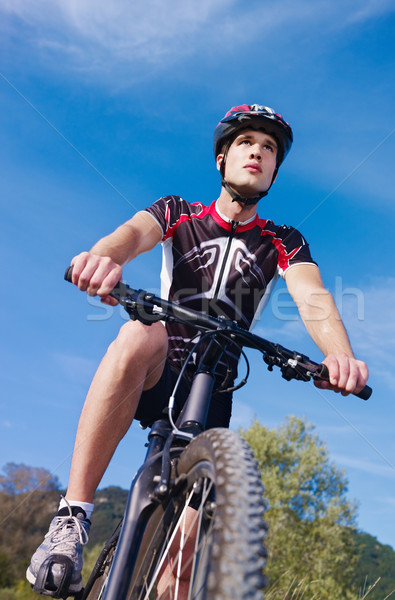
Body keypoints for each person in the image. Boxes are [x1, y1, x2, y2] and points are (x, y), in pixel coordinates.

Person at [27, 104, 369, 596]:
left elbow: (313, 297)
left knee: (179, 575)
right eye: (246, 142)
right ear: (221, 159)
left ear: (275, 169)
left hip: (214, 388)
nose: (258, 151)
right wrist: (102, 259)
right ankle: (71, 517)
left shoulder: (282, 240)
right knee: (138, 331)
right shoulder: (179, 212)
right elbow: (130, 236)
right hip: (158, 365)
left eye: (269, 147)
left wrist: (340, 355)